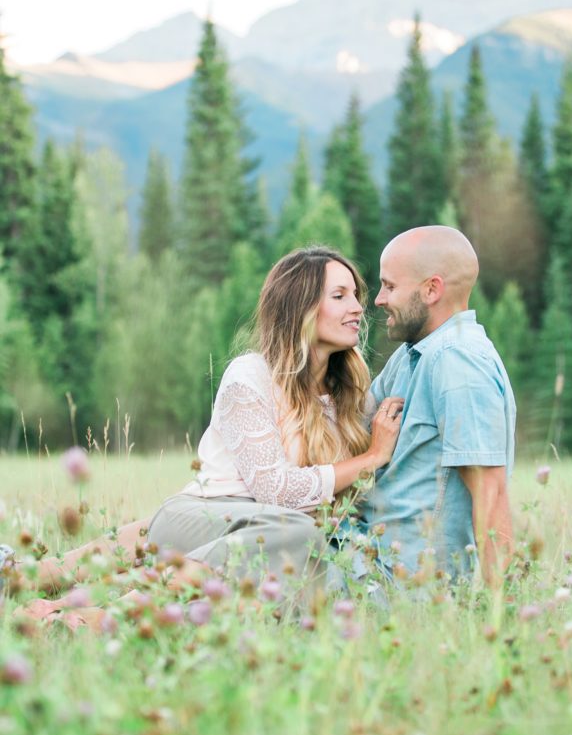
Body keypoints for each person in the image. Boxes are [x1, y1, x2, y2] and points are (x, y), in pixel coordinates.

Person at [11, 247, 403, 611]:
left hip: (266, 537)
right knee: (296, 534)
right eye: (339, 296)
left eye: (356, 295)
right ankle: (80, 612)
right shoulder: (250, 376)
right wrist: (371, 458)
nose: (357, 308)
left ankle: (42, 586)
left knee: (299, 549)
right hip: (203, 518)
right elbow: (275, 491)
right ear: (300, 307)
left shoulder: (351, 394)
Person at [360, 225, 516, 589]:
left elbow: (490, 492)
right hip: (365, 553)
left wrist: (499, 617)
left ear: (431, 290)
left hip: (403, 581)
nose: (379, 299)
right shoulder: (413, 354)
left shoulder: (457, 361)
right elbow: (349, 423)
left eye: (390, 286)